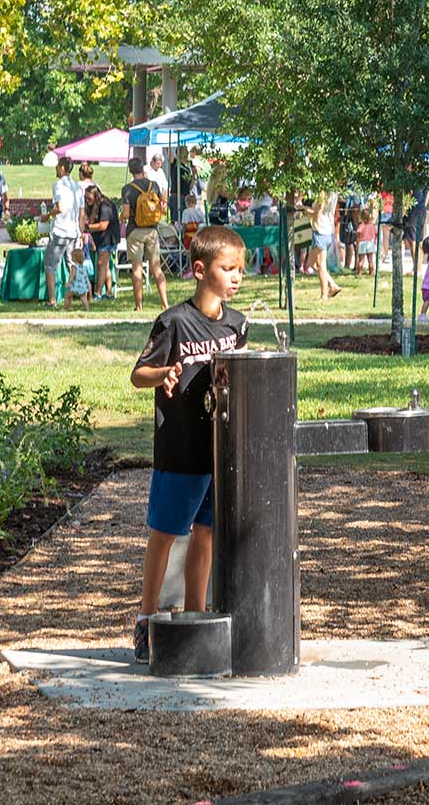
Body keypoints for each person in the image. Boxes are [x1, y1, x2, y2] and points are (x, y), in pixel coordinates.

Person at [129, 225, 248, 663]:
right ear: (200, 270)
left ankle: (197, 618)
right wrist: (163, 375)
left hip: (218, 450)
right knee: (165, 535)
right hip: (180, 452)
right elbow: (138, 374)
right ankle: (146, 620)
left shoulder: (238, 325)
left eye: (240, 270)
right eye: (227, 269)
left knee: (206, 534)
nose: (236, 277)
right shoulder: (174, 322)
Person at [120, 158, 170, 311]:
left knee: (137, 268)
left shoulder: (127, 189)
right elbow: (163, 207)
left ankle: (139, 305)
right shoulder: (153, 185)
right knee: (157, 268)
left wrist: (121, 216)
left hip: (135, 230)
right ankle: (164, 303)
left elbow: (127, 214)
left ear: (130, 170)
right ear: (143, 168)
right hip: (152, 230)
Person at [42, 156, 82, 309]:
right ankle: (70, 298)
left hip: (60, 230)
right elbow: (82, 212)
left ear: (63, 168)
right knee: (72, 264)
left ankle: (52, 300)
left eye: (58, 166)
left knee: (50, 264)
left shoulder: (58, 185)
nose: (56, 169)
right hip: (73, 231)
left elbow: (59, 208)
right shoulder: (77, 187)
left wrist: (47, 216)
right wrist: (80, 232)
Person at [85, 184, 120, 300]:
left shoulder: (105, 206)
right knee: (105, 266)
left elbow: (103, 225)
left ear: (96, 196)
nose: (87, 200)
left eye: (89, 198)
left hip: (108, 238)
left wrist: (87, 228)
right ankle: (109, 293)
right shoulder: (94, 206)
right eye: (85, 198)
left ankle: (98, 293)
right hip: (101, 239)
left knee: (101, 264)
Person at [309, 191, 342, 300]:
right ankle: (332, 285)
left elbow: (317, 214)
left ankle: (324, 295)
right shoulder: (334, 193)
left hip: (321, 231)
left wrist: (303, 208)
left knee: (321, 265)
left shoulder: (323, 193)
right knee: (311, 263)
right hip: (328, 230)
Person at [64, 242, 92, 312]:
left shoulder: (74, 267)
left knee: (67, 296)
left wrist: (68, 283)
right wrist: (88, 287)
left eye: (72, 256)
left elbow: (72, 277)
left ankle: (66, 308)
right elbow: (86, 278)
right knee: (83, 298)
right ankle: (87, 309)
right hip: (82, 286)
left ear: (75, 258)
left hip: (75, 287)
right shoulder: (84, 268)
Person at [355, 205, 378, 274]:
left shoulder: (361, 226)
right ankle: (371, 272)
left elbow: (358, 235)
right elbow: (376, 234)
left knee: (361, 260)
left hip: (362, 243)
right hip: (370, 243)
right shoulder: (373, 226)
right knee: (370, 260)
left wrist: (357, 243)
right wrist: (375, 241)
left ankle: (359, 272)